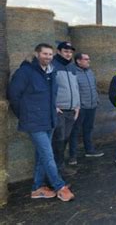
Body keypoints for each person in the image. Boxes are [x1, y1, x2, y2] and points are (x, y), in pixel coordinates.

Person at [8, 43, 74, 201]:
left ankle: (37, 188)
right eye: (45, 54)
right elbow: (13, 95)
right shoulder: (25, 72)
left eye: (50, 54)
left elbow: (51, 95)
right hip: (34, 122)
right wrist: (25, 115)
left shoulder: (51, 72)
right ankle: (59, 186)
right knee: (47, 154)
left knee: (41, 155)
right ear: (37, 54)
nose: (48, 57)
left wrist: (53, 108)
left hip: (49, 119)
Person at [68, 53, 104, 166]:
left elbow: (94, 87)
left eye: (89, 59)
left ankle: (89, 150)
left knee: (88, 129)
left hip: (91, 106)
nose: (89, 61)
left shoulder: (90, 71)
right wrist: (77, 105)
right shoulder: (73, 73)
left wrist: (96, 99)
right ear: (78, 61)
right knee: (75, 131)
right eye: (86, 59)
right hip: (80, 108)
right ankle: (72, 156)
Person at [51, 41, 80, 176]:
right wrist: (53, 105)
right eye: (65, 51)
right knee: (58, 139)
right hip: (60, 110)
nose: (68, 54)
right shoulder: (52, 66)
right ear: (59, 51)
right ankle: (57, 168)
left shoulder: (72, 67)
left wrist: (77, 105)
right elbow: (47, 88)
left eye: (70, 52)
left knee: (65, 138)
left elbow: (75, 87)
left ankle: (60, 166)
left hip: (72, 109)